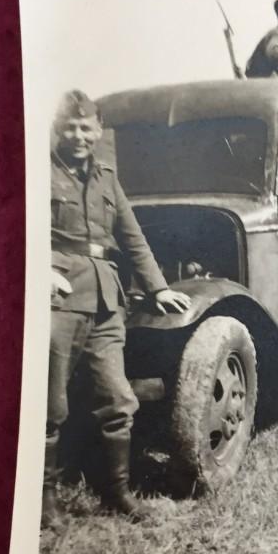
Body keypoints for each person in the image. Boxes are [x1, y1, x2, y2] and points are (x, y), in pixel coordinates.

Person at [46, 90, 191, 527]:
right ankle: (46, 501)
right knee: (50, 403)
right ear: (58, 130)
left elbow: (132, 236)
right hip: (59, 295)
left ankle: (117, 493)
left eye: (86, 128)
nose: (78, 136)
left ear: (98, 130)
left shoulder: (107, 175)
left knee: (118, 397)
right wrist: (38, 271)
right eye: (69, 128)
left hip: (108, 301)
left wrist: (160, 287)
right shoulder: (40, 172)